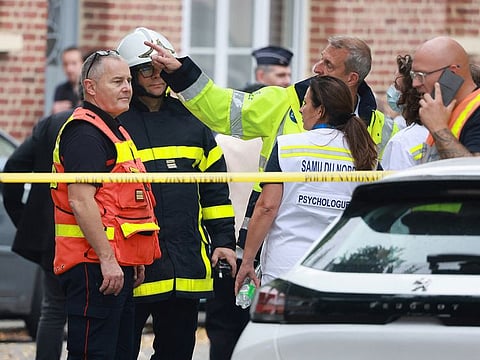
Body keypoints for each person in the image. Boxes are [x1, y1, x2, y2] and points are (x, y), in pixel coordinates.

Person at [116, 27, 237, 360]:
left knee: (178, 353)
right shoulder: (115, 125)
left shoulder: (193, 123)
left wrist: (224, 241)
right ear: (130, 74)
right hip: (135, 265)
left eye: (162, 68)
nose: (157, 76)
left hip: (185, 265)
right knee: (119, 351)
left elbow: (215, 191)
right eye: (146, 69)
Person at [50, 49, 161, 359]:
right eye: (117, 81)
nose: (127, 87)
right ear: (90, 87)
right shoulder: (85, 133)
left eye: (128, 80)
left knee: (121, 352)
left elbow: (124, 203)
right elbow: (81, 201)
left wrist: (131, 256)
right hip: (93, 266)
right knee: (94, 354)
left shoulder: (116, 129)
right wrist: (108, 259)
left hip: (113, 264)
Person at [234, 75, 377, 289]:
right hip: (341, 264)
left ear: (320, 111)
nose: (301, 110)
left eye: (305, 103)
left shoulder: (287, 146)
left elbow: (266, 207)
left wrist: (247, 261)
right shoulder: (366, 153)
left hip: (287, 265)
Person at [206, 44, 293, 360]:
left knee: (224, 328)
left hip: (230, 247)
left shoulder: (219, 141)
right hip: (257, 247)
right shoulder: (281, 141)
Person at [3, 110, 72, 360]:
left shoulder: (51, 125)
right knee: (87, 311)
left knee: (53, 309)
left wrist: (23, 219)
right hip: (94, 236)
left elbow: (12, 170)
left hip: (51, 234)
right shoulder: (110, 125)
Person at [411, 36, 480, 161]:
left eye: (421, 75)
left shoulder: (476, 111)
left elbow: (473, 173)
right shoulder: (442, 112)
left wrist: (439, 129)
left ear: (451, 73)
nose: (415, 83)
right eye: (413, 75)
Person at [381, 55, 428, 170]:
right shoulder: (448, 131)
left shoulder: (401, 143)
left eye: (396, 86)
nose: (392, 90)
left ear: (408, 95)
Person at [51, 46, 83, 114]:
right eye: (65, 64)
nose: (69, 69)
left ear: (83, 64)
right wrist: (53, 112)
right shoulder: (60, 89)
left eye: (74, 63)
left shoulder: (90, 89)